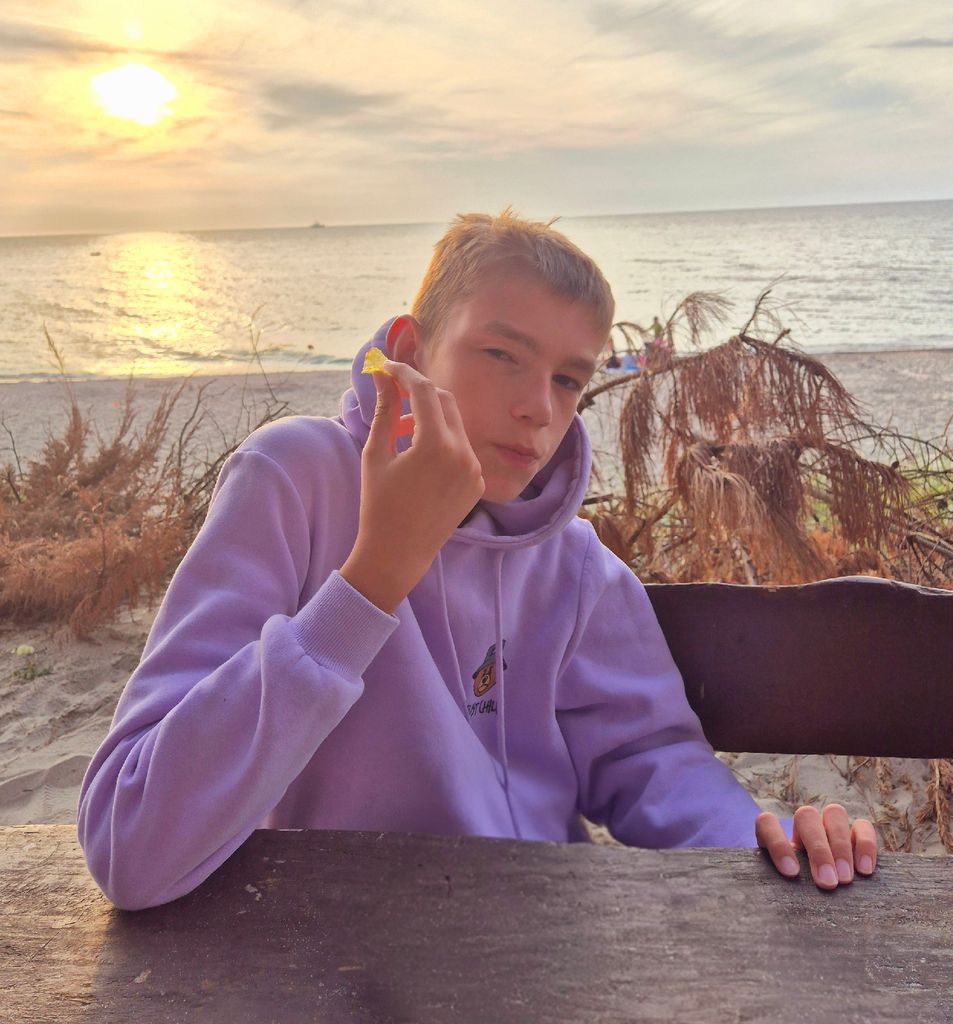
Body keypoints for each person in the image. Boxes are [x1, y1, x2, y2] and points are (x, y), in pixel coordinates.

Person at [77, 210, 876, 911]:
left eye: (569, 379)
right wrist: (370, 583)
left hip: (537, 944)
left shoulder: (573, 565)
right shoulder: (294, 481)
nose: (538, 407)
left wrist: (759, 839)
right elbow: (128, 844)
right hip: (330, 947)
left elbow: (648, 760)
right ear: (409, 350)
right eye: (501, 354)